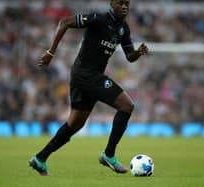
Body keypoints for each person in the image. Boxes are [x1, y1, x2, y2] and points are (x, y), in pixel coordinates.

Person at [29, 0, 149, 176]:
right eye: (120, 3)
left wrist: (138, 52)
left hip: (85, 77)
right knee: (127, 105)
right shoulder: (98, 19)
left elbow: (129, 56)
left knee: (75, 124)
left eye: (127, 4)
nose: (124, 7)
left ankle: (40, 158)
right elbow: (64, 22)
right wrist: (51, 52)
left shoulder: (123, 29)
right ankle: (109, 155)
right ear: (112, 4)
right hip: (86, 75)